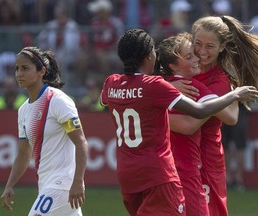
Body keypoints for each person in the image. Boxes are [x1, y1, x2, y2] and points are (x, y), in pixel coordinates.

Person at [100, 28, 258, 216]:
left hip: (127, 175)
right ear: (148, 56)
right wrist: (235, 94)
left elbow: (107, 103)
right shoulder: (156, 86)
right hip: (159, 174)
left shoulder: (111, 82)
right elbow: (200, 112)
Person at [171, 15, 258, 216]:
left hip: (204, 161)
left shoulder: (220, 81)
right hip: (175, 158)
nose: (201, 52)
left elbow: (189, 125)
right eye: (198, 44)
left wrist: (151, 118)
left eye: (209, 46)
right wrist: (168, 86)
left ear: (222, 47)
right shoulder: (182, 66)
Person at [0, 46, 88, 215]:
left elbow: (81, 142)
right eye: (17, 69)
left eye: (25, 68)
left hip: (62, 185)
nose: (19, 74)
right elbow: (24, 154)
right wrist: (9, 185)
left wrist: (78, 181)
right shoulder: (23, 110)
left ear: (42, 71)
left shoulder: (58, 100)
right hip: (46, 185)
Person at [156, 32, 217, 216]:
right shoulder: (193, 87)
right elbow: (230, 116)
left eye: (194, 54)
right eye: (189, 56)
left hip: (160, 172)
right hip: (185, 171)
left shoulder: (155, 86)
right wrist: (234, 94)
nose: (197, 59)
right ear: (173, 66)